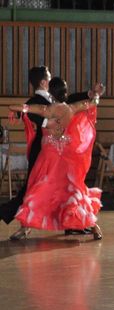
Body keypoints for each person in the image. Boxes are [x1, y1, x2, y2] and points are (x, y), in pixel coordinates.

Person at [7, 94, 103, 240]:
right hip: (67, 163)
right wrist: (96, 96)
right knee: (73, 194)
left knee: (37, 193)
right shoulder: (72, 108)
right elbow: (92, 103)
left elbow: (16, 107)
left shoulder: (46, 110)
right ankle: (94, 227)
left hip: (48, 163)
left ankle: (25, 228)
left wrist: (20, 109)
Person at [0, 66, 52, 234]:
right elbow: (43, 122)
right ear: (43, 82)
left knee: (45, 186)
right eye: (49, 78)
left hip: (48, 149)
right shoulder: (33, 103)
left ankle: (23, 223)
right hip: (43, 150)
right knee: (32, 187)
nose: (51, 81)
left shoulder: (38, 101)